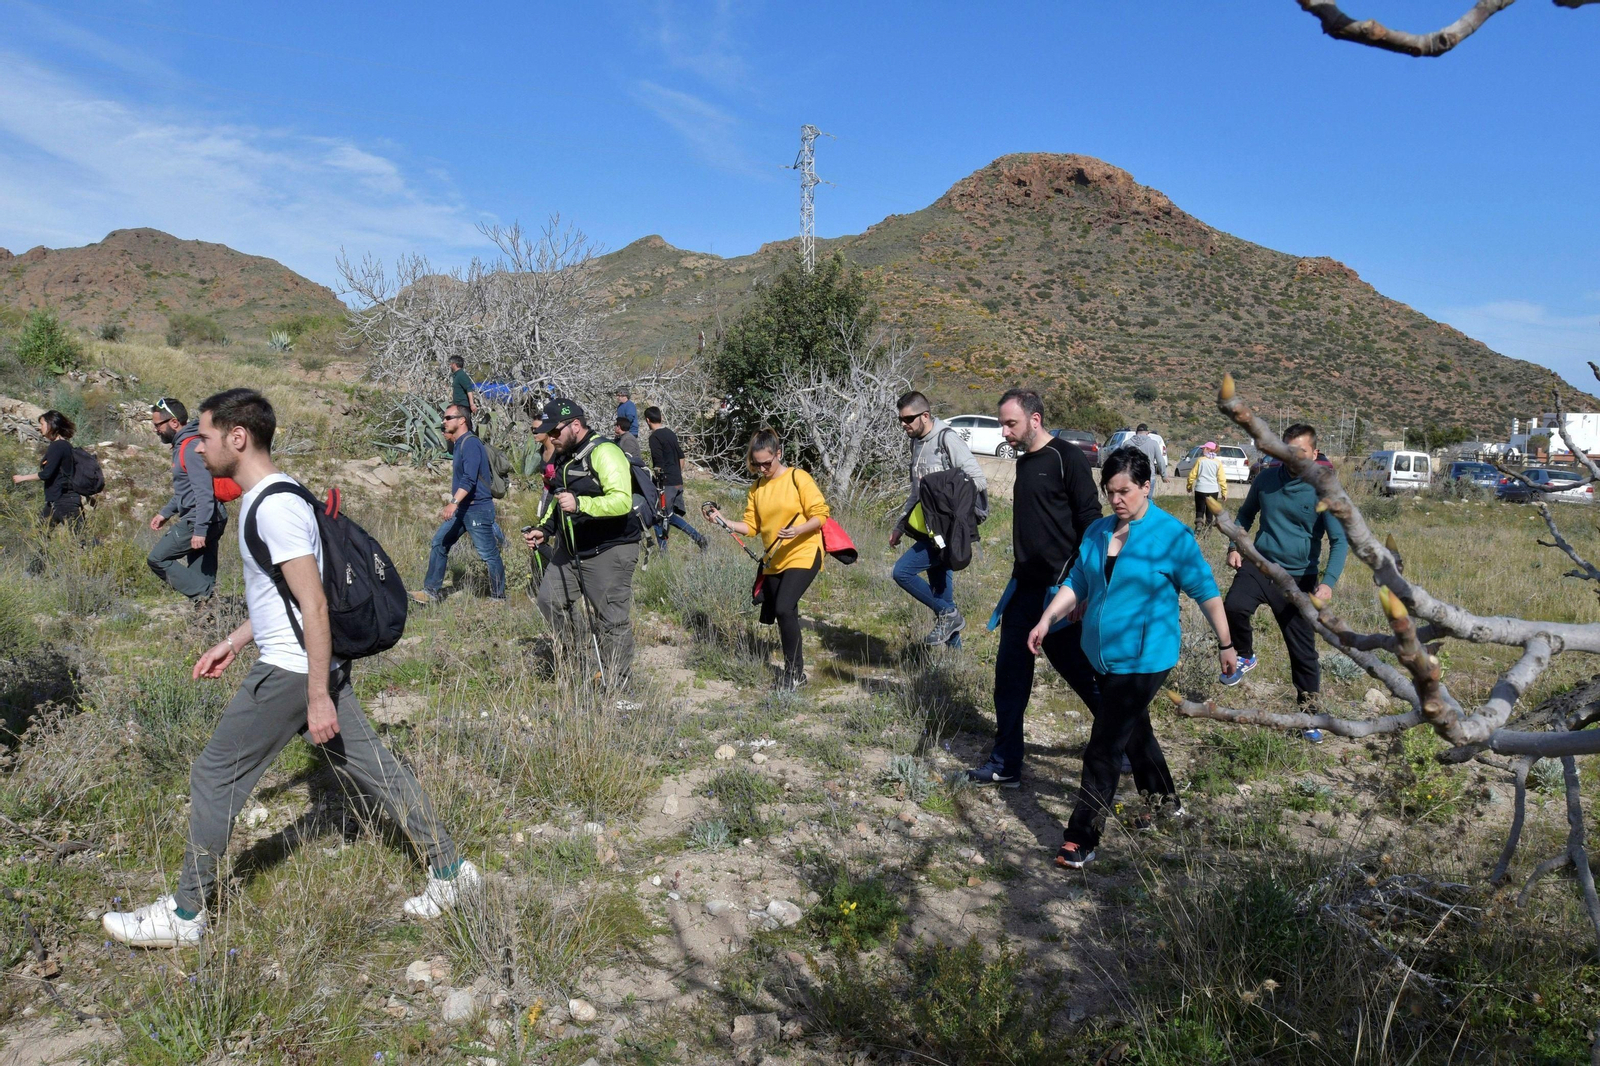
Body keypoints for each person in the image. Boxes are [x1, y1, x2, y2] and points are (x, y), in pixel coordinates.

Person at [101, 388, 479, 948]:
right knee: (374, 766)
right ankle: (452, 871)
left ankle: (183, 916)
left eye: (203, 437)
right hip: (304, 663)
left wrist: (318, 692)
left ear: (237, 437)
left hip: (293, 670)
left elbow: (315, 603)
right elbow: (284, 594)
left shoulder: (273, 505)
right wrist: (234, 638)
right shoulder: (275, 496)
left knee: (213, 775)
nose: (197, 449)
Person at [1029, 447, 1237, 868]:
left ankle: (1081, 838)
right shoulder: (1099, 532)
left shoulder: (1171, 535)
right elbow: (1078, 582)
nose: (1116, 499)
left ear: (1147, 486)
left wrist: (1226, 644)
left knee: (1104, 746)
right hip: (1102, 656)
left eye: (1125, 491)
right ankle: (1166, 802)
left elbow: (1206, 592)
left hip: (1146, 657)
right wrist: (1049, 618)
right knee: (1135, 730)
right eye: (1110, 491)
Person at [968, 389, 1102, 787]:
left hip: (1061, 593)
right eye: (1002, 424)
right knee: (1009, 676)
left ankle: (1124, 743)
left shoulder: (1067, 457)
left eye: (1011, 423)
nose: (1004, 432)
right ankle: (1006, 762)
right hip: (1024, 589)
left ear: (1035, 419)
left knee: (1082, 676)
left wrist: (1083, 587)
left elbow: (1091, 523)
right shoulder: (1025, 463)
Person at [1222, 424, 1349, 731]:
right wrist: (1234, 546)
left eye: (1301, 452)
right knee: (1233, 607)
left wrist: (1328, 582)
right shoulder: (1266, 480)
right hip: (1260, 564)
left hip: (1298, 579)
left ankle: (1310, 716)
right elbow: (1244, 515)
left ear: (1314, 454)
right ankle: (1245, 655)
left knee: (1303, 651)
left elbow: (1340, 541)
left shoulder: (1323, 490)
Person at [522, 398, 642, 688]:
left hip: (610, 547)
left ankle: (617, 680)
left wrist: (581, 504)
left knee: (611, 619)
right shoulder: (564, 455)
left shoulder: (605, 452)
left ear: (576, 425)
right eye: (547, 432)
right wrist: (545, 529)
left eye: (555, 431)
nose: (551, 437)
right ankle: (582, 658)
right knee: (548, 601)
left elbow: (622, 500)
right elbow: (557, 499)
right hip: (572, 548)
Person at [706, 430, 829, 689]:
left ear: (778, 454)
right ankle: (798, 673)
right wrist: (724, 520)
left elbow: (820, 515)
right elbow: (751, 527)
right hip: (774, 559)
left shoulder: (798, 477)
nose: (762, 468)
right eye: (757, 463)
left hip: (805, 551)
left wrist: (797, 530)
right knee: (787, 613)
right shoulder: (757, 488)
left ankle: (793, 674)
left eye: (767, 462)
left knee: (783, 607)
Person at [889, 391, 987, 647]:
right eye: (900, 419)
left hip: (947, 533)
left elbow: (977, 480)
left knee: (902, 572)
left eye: (908, 419)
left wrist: (950, 509)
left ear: (925, 415)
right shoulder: (916, 443)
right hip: (929, 531)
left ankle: (948, 615)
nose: (904, 424)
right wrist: (901, 525)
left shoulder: (946, 439)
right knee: (943, 597)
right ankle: (955, 664)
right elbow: (916, 492)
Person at [414, 405, 505, 603]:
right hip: (464, 509)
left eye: (448, 417)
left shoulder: (471, 444)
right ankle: (430, 592)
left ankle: (498, 597)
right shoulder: (460, 443)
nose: (444, 421)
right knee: (440, 542)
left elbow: (470, 479)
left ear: (462, 420)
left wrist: (453, 503)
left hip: (477, 509)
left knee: (489, 555)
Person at [147, 398, 228, 601]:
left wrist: (200, 530)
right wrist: (165, 513)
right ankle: (210, 617)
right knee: (202, 575)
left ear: (174, 423)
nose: (156, 430)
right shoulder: (186, 444)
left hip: (200, 520)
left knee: (157, 559)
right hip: (210, 518)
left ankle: (210, 598)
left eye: (158, 425)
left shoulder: (190, 447)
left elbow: (204, 493)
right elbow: (186, 490)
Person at [644, 407, 709, 552]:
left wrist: (660, 481)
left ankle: (663, 554)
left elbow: (658, 463)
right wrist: (677, 474)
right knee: (670, 516)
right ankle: (699, 539)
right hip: (677, 481)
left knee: (658, 518)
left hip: (666, 483)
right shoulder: (670, 433)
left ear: (648, 420)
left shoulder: (654, 437)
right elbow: (681, 456)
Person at [12, 410, 82, 530]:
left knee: (82, 538)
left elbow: (46, 474)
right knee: (41, 534)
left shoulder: (58, 446)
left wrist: (22, 478)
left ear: (51, 425)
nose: (40, 428)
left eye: (42, 424)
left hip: (64, 500)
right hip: (55, 501)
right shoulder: (64, 445)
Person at [1186, 441, 1228, 533]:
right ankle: (1208, 531)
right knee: (1210, 512)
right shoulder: (1217, 463)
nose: (1202, 450)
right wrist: (1224, 492)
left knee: (1199, 509)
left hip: (1200, 489)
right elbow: (1222, 478)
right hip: (1213, 490)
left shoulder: (1200, 460)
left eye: (1204, 448)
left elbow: (1192, 475)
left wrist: (1189, 485)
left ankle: (1199, 525)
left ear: (1209, 449)